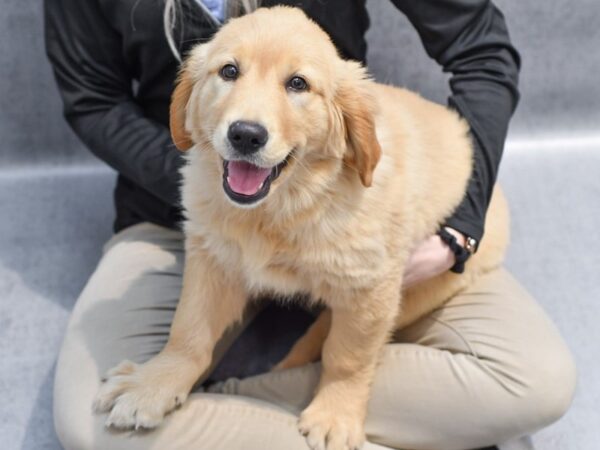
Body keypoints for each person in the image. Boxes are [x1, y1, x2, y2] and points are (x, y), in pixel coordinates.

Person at [45, 1, 576, 449]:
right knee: (91, 423)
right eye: (229, 72)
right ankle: (242, 391)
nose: (249, 121)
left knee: (538, 381)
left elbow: (482, 50)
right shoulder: (200, 137)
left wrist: (459, 229)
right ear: (192, 91)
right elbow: (94, 100)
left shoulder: (354, 125)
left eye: (296, 83)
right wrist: (202, 182)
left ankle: (241, 395)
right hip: (162, 218)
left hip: (409, 249)